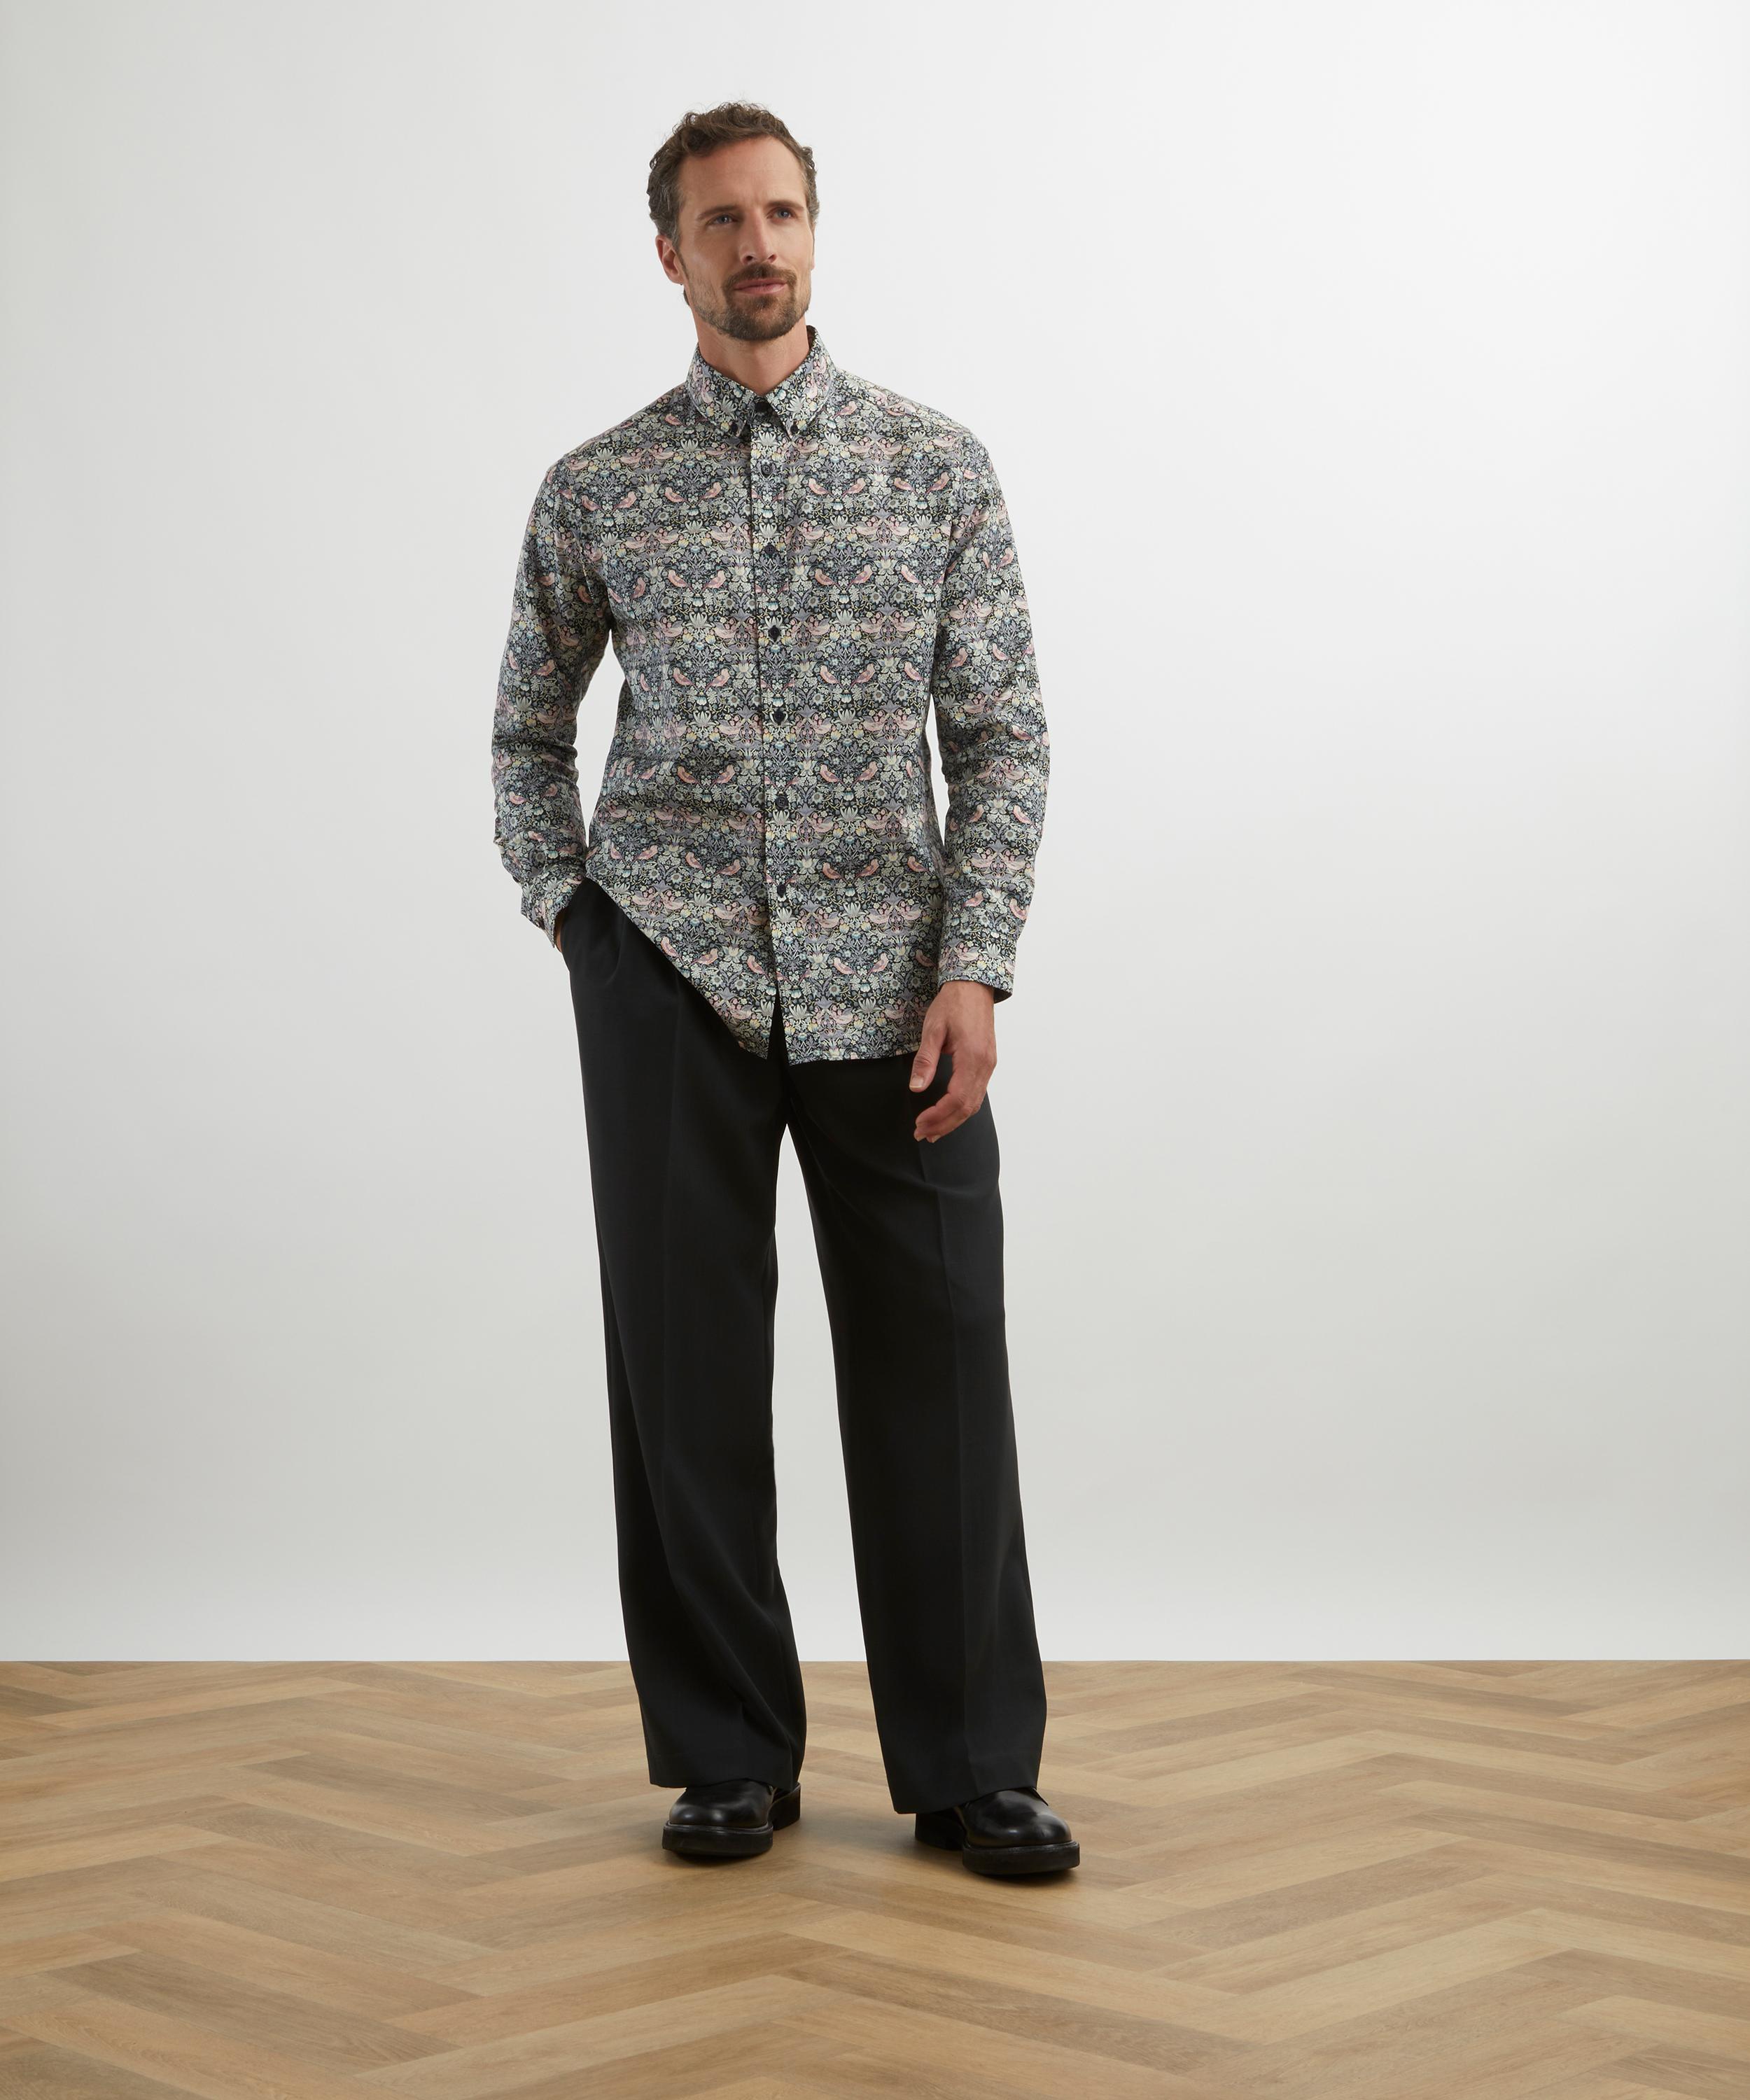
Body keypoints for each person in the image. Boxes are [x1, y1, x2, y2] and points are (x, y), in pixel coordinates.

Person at [490, 101, 1074, 1877]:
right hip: (665, 972)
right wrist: (581, 924)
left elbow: (1001, 735)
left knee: (939, 1373)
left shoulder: (934, 467)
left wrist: (975, 961)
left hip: (895, 988)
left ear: (814, 229)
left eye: (782, 212)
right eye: (721, 220)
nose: (757, 245)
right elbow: (525, 731)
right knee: (683, 1381)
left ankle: (969, 1765)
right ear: (668, 253)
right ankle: (727, 1751)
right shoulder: (595, 489)